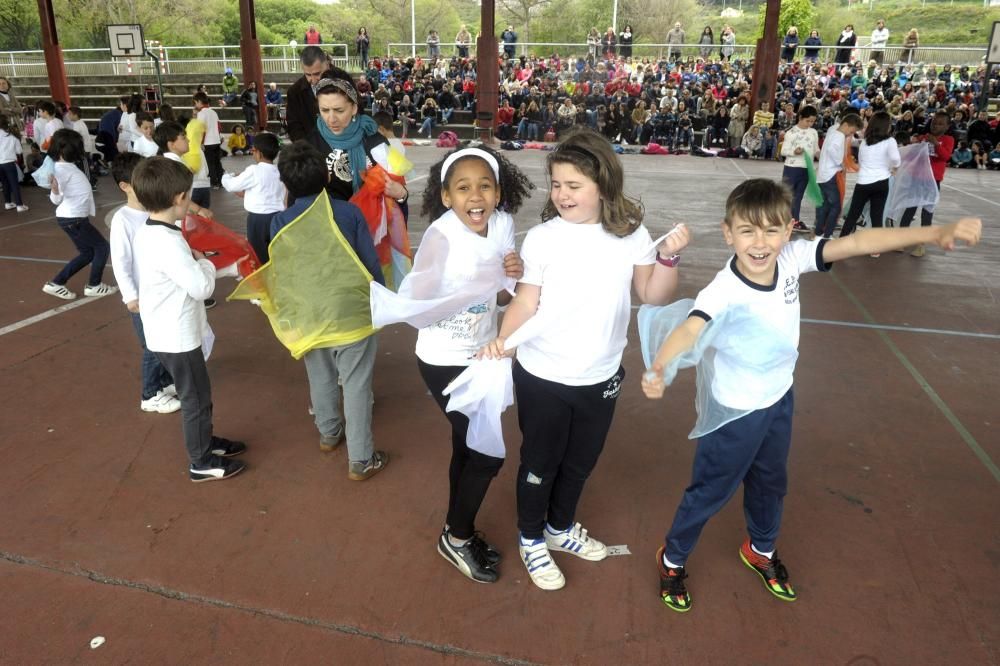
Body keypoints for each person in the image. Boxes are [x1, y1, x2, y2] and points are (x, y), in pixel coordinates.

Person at [641, 178, 982, 613]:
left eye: (771, 230)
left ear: (788, 231)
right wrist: (660, 366)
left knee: (770, 482)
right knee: (710, 490)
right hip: (736, 411)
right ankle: (672, 560)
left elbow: (859, 242)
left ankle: (760, 549)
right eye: (747, 231)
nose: (760, 243)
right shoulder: (722, 291)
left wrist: (934, 232)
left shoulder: (792, 257)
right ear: (728, 234)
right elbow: (690, 328)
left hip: (779, 396)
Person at [478, 128, 691, 591]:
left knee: (580, 462)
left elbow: (651, 294)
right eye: (556, 184)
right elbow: (524, 302)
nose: (562, 194)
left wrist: (669, 261)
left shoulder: (632, 234)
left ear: (603, 184)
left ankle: (558, 529)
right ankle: (531, 537)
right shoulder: (542, 239)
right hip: (544, 374)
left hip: (601, 374)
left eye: (573, 186)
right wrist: (503, 340)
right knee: (540, 461)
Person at [396, 147, 535, 583]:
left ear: (498, 191)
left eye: (485, 186)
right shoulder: (441, 238)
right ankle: (456, 538)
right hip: (443, 360)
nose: (475, 196)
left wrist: (512, 275)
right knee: (485, 452)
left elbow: (504, 298)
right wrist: (475, 283)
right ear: (445, 196)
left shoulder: (504, 225)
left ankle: (457, 527)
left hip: (483, 353)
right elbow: (417, 311)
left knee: (466, 444)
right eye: (463, 188)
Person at [268, 141, 388, 480]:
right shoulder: (348, 213)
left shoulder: (280, 221)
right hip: (351, 312)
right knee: (356, 384)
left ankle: (329, 433)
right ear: (326, 175)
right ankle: (361, 459)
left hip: (308, 312)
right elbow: (368, 264)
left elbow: (283, 270)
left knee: (319, 375)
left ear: (286, 183)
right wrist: (380, 298)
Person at [132, 157, 248, 482]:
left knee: (198, 394)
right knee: (196, 398)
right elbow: (200, 286)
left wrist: (225, 267)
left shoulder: (152, 231)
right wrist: (207, 264)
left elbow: (187, 277)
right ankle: (201, 461)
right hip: (177, 337)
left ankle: (206, 442)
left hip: (166, 330)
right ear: (179, 198)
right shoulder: (168, 242)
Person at [107, 153, 181, 415]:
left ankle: (163, 383)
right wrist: (130, 296)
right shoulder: (123, 220)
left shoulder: (154, 212)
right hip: (141, 297)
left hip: (159, 292)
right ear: (125, 186)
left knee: (162, 341)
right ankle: (149, 394)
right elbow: (121, 261)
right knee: (152, 345)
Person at [305, 69, 408, 205]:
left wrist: (401, 194)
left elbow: (402, 189)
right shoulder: (309, 146)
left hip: (371, 222)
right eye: (324, 110)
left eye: (339, 110)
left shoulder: (375, 138)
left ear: (354, 108)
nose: (331, 119)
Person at [41, 130, 118, 300]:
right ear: (64, 150)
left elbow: (58, 196)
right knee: (102, 247)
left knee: (88, 253)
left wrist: (55, 190)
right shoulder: (61, 170)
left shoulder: (65, 167)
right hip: (73, 219)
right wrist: (54, 189)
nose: (80, 152)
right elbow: (56, 199)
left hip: (72, 218)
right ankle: (94, 285)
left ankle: (56, 283)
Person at [898, 111, 955, 257]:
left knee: (927, 212)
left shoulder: (948, 139)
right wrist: (916, 143)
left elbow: (945, 156)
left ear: (947, 126)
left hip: (933, 180)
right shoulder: (923, 137)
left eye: (941, 123)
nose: (936, 125)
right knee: (909, 208)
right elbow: (912, 155)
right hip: (916, 178)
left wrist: (936, 144)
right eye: (934, 122)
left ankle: (921, 244)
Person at [221, 132, 284, 264]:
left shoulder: (254, 170)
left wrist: (227, 175)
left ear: (259, 153)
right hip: (277, 217)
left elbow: (232, 185)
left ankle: (262, 277)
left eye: (253, 150)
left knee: (257, 252)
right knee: (275, 251)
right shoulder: (279, 171)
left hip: (257, 220)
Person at [840, 111, 900, 245]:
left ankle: (840, 242)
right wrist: (893, 167)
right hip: (881, 182)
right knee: (877, 216)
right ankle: (875, 248)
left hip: (863, 182)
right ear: (886, 126)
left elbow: (861, 161)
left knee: (853, 214)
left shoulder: (865, 142)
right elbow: (896, 159)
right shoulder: (890, 141)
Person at [814, 113, 863, 239]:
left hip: (823, 174)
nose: (851, 134)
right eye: (852, 131)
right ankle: (828, 233)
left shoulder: (832, 131)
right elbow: (832, 150)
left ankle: (819, 232)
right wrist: (841, 164)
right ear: (846, 125)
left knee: (825, 204)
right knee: (835, 206)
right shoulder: (840, 136)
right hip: (830, 174)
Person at [153, 121, 214, 220]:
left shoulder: (171, 162)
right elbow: (176, 195)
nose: (188, 140)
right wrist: (199, 210)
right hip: (175, 219)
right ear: (171, 144)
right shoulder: (174, 165)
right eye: (184, 137)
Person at [779, 105, 819, 233]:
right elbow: (783, 151)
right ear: (800, 117)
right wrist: (794, 151)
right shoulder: (791, 133)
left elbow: (816, 149)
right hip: (792, 168)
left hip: (807, 169)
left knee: (799, 196)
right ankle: (783, 220)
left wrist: (820, 155)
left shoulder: (813, 132)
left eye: (812, 121)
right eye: (808, 121)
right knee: (787, 196)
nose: (810, 124)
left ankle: (794, 220)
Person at [286, 46, 328, 142]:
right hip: (310, 149)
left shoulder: (343, 81)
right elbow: (294, 126)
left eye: (317, 74)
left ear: (326, 64)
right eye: (308, 75)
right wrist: (305, 149)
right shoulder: (294, 92)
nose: (312, 80)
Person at [193, 92, 223, 188]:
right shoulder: (213, 112)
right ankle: (221, 181)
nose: (195, 105)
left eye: (195, 103)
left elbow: (201, 129)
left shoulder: (201, 114)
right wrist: (218, 137)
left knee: (210, 163)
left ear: (199, 101)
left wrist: (201, 142)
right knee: (217, 162)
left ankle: (214, 182)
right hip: (216, 141)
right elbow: (219, 127)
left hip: (207, 142)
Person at [0, 113, 26, 212]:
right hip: (9, 163)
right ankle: (19, 205)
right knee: (14, 184)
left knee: (4, 183)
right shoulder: (12, 137)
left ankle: (8, 203)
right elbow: (19, 151)